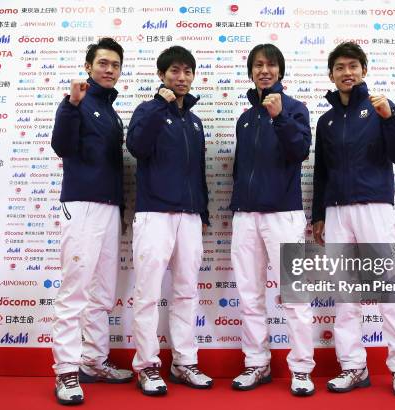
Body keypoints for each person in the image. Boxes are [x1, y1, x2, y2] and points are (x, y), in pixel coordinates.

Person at [311, 41, 395, 397]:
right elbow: (321, 172)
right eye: (339, 67)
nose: (347, 72)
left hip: (375, 208)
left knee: (389, 288)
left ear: (364, 71)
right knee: (345, 292)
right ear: (331, 75)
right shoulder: (325, 120)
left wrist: (391, 117)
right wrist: (319, 215)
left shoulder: (379, 109)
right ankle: (353, 367)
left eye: (353, 66)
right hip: (337, 211)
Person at [229, 44, 315, 396]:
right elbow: (241, 169)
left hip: (284, 214)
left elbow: (300, 151)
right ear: (251, 71)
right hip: (246, 216)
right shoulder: (245, 117)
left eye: (271, 65)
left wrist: (280, 117)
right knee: (249, 295)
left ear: (280, 70)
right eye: (258, 65)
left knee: (294, 295)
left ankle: (302, 368)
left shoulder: (295, 109)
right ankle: (256, 363)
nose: (265, 70)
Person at [126, 45, 212, 396]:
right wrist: (159, 105)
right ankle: (146, 365)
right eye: (174, 71)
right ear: (162, 75)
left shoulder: (193, 120)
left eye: (187, 71)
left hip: (189, 218)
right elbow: (137, 147)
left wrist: (202, 212)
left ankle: (184, 361)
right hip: (154, 214)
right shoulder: (147, 111)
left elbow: (198, 172)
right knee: (147, 294)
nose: (181, 77)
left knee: (186, 293)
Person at [50, 37, 132, 405]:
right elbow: (62, 147)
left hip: (109, 208)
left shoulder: (112, 112)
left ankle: (93, 362)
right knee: (75, 293)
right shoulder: (76, 104)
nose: (109, 69)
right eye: (103, 63)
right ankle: (66, 372)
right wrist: (71, 105)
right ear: (88, 66)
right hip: (81, 206)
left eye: (115, 64)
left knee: (101, 292)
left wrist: (123, 210)